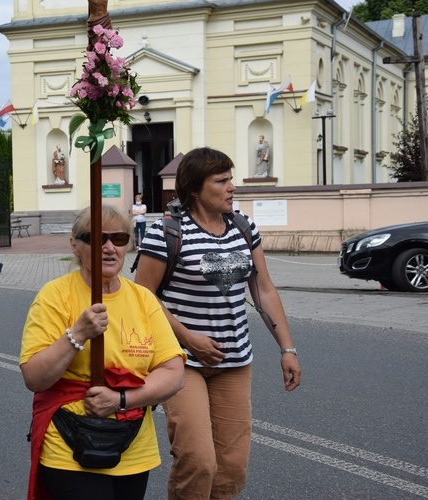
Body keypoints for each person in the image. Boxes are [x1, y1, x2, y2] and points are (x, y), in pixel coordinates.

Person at [134, 147, 301, 499]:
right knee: (198, 460)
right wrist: (187, 337)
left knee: (231, 467)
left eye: (231, 179)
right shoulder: (165, 232)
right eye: (221, 180)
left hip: (234, 361)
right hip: (181, 360)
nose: (231, 187)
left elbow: (264, 288)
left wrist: (287, 349)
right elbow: (143, 296)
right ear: (195, 188)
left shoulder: (243, 227)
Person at [20, 205, 186, 500]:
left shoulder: (143, 299)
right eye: (98, 239)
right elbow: (35, 377)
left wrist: (122, 400)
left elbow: (173, 374)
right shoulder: (54, 296)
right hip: (69, 443)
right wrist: (77, 334)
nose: (109, 248)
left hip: (133, 445)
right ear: (75, 245)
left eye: (119, 239)